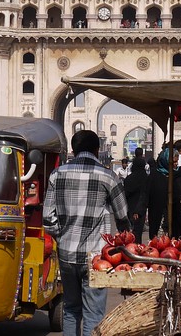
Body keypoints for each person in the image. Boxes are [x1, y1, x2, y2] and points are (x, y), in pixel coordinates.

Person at [44, 130, 130, 336]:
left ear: (73, 149)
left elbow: (48, 218)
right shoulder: (108, 176)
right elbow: (123, 216)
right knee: (93, 313)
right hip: (96, 257)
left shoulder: (57, 174)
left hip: (66, 254)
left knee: (71, 310)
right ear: (97, 149)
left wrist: (63, 236)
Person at [138, 145, 181, 240]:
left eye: (177, 161)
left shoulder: (177, 176)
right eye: (174, 162)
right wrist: (139, 210)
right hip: (157, 216)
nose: (176, 164)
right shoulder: (154, 176)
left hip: (175, 217)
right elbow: (145, 194)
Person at [123, 156, 148, 241]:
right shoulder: (146, 178)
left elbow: (125, 193)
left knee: (131, 234)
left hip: (131, 208)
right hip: (142, 209)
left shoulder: (130, 178)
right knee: (138, 233)